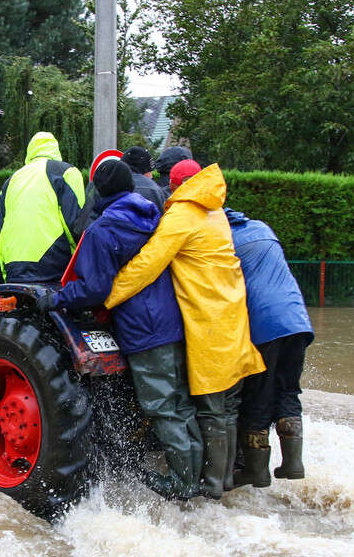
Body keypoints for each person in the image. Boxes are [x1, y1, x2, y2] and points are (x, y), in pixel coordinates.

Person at [37, 159, 201, 499]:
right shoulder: (154, 218)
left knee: (161, 406)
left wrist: (56, 298)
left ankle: (184, 484)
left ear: (99, 190)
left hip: (143, 329)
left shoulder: (103, 230)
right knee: (181, 403)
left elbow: (95, 288)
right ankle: (198, 476)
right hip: (174, 322)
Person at [105, 161, 265, 499]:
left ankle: (207, 485)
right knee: (228, 407)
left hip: (208, 324)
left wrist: (109, 295)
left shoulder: (183, 215)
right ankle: (222, 481)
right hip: (234, 319)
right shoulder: (215, 211)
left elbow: (148, 263)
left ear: (175, 185)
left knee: (209, 407)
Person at [224, 208, 313, 488]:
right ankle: (293, 462)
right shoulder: (262, 227)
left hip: (264, 324)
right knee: (287, 388)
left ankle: (256, 470)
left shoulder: (223, 240)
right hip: (296, 319)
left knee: (258, 394)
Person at [0, 132, 88, 283]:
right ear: (56, 150)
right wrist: (85, 269)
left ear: (30, 152)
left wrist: (0, 275)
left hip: (13, 268)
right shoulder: (66, 172)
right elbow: (76, 224)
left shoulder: (10, 181)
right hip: (53, 266)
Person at [121, 146, 165, 211]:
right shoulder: (153, 190)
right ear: (145, 169)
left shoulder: (108, 185)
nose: (151, 176)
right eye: (151, 170)